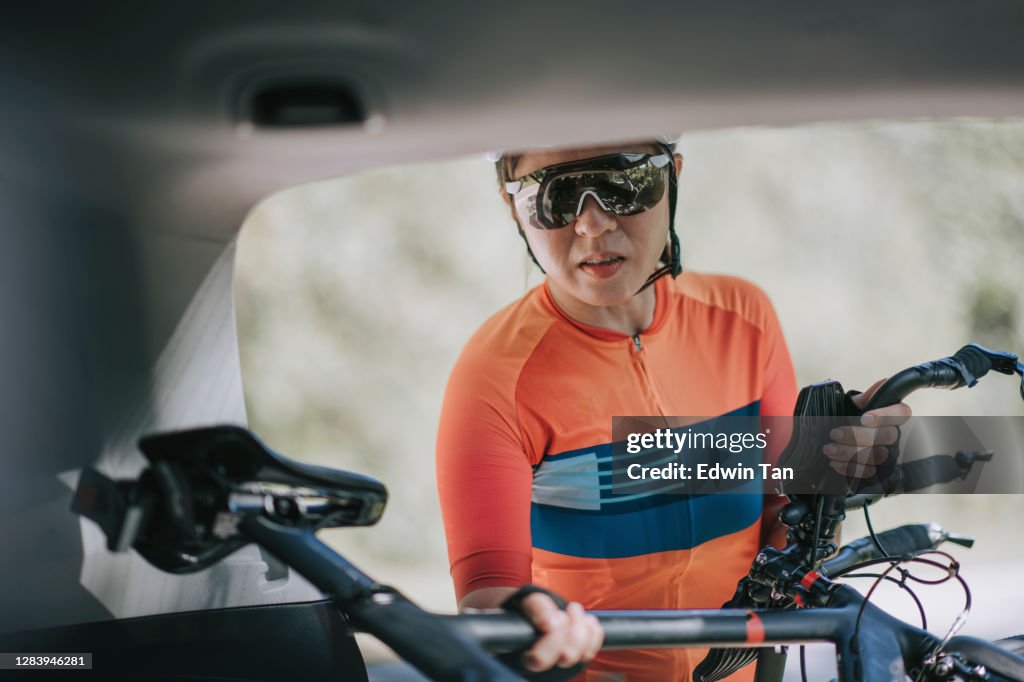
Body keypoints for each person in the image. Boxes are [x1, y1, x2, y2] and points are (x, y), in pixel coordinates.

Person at [435, 138, 909, 681]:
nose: (592, 224)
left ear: (672, 177)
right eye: (556, 196)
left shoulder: (744, 318)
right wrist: (524, 622)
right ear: (511, 205)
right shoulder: (493, 375)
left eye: (624, 183)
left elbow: (785, 518)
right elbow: (490, 595)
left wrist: (831, 468)